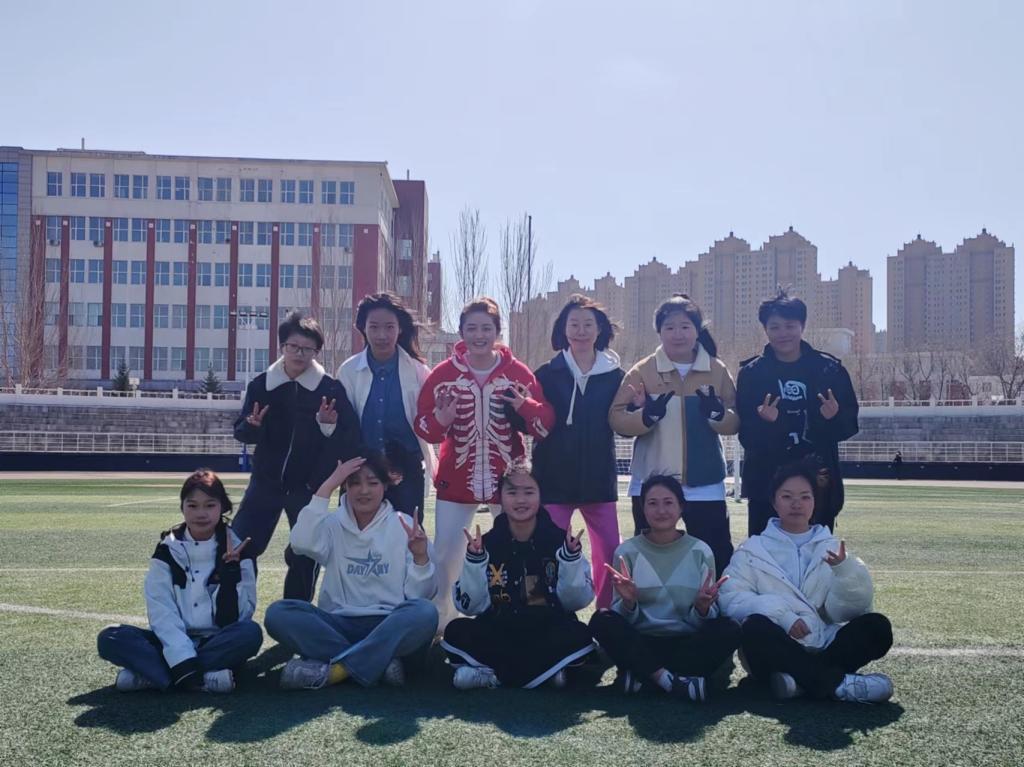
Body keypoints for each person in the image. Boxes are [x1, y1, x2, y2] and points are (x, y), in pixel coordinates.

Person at [415, 297, 554, 628]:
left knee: (522, 547)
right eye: (472, 328)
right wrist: (442, 419)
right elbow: (423, 425)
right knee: (447, 553)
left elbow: (544, 424)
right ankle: (442, 621)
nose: (479, 335)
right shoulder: (443, 374)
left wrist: (525, 407)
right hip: (455, 477)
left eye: (486, 328)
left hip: (510, 480)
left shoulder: (518, 372)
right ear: (462, 332)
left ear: (497, 332)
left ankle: (525, 616)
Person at [719, 460, 894, 703]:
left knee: (877, 627)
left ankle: (800, 681)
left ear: (814, 502)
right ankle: (834, 684)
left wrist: (845, 573)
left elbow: (846, 612)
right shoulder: (752, 550)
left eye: (805, 497)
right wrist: (784, 617)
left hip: (823, 642)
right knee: (753, 627)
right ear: (774, 502)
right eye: (787, 496)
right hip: (775, 645)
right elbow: (731, 598)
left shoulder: (831, 548)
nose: (796, 504)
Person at [263, 451, 439, 689]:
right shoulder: (332, 523)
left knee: (425, 613)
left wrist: (420, 557)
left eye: (372, 483)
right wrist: (327, 486)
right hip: (337, 625)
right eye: (354, 483)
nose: (363, 491)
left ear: (385, 486)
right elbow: (300, 542)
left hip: (387, 624)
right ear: (344, 487)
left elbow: (420, 595)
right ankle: (378, 662)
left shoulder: (404, 524)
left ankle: (338, 670)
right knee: (278, 614)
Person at [233, 311, 361, 601]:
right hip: (264, 484)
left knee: (305, 553)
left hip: (307, 488)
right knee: (240, 545)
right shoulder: (261, 385)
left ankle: (296, 612)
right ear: (282, 346)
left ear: (317, 352)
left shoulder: (329, 389)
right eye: (294, 346)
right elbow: (241, 432)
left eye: (308, 349)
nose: (300, 354)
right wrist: (252, 427)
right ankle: (236, 609)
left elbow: (349, 438)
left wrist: (327, 426)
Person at [97, 469, 262, 693]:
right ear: (182, 507)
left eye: (210, 505)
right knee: (110, 637)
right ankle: (199, 678)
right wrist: (181, 657)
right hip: (171, 640)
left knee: (250, 633)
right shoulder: (167, 550)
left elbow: (237, 619)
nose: (201, 513)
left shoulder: (239, 550)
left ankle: (157, 676)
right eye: (192, 505)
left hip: (217, 640)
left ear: (222, 507)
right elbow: (160, 608)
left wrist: (229, 581)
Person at [609, 294, 739, 576]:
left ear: (697, 330)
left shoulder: (716, 370)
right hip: (652, 483)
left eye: (685, 326)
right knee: (648, 560)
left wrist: (717, 415)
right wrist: (646, 417)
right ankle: (645, 604)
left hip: (705, 483)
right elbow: (616, 418)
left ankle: (716, 604)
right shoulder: (643, 370)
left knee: (716, 555)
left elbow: (735, 421)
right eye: (669, 327)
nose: (677, 334)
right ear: (659, 332)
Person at [440, 460, 596, 689]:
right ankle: (545, 676)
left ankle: (492, 676)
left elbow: (576, 602)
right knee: (456, 631)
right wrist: (475, 562)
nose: (521, 500)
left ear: (541, 495)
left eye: (529, 492)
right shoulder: (487, 543)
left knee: (579, 635)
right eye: (512, 492)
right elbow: (471, 608)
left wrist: (570, 560)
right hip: (499, 630)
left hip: (547, 629)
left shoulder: (561, 541)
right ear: (500, 498)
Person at [589, 474, 741, 702]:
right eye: (652, 503)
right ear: (643, 508)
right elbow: (620, 618)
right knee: (602, 620)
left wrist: (702, 609)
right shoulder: (626, 552)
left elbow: (709, 617)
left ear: (681, 507)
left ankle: (645, 677)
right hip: (642, 641)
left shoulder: (701, 550)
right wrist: (629, 603)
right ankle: (672, 681)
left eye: (668, 502)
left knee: (730, 628)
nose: (661, 510)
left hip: (686, 641)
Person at [736, 289, 859, 536]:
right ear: (765, 329)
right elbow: (745, 435)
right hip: (766, 484)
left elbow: (850, 425)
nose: (783, 333)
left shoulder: (829, 369)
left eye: (790, 326)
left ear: (802, 326)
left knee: (817, 553)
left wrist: (831, 418)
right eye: (775, 327)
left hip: (818, 485)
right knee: (765, 553)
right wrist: (766, 422)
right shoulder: (752, 374)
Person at [529, 294, 625, 609]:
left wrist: (640, 407)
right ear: (563, 329)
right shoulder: (546, 373)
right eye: (574, 324)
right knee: (549, 551)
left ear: (600, 330)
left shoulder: (616, 376)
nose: (581, 331)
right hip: (553, 480)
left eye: (588, 324)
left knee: (610, 551)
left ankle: (606, 614)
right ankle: (551, 614)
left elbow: (625, 420)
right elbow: (530, 419)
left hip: (598, 480)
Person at [337, 292, 436, 523]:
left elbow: (430, 422)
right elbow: (343, 427)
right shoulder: (348, 371)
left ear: (400, 329)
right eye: (374, 327)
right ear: (363, 328)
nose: (382, 335)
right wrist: (326, 422)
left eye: (389, 327)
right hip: (361, 468)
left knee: (408, 533)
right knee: (354, 532)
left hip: (407, 470)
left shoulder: (419, 372)